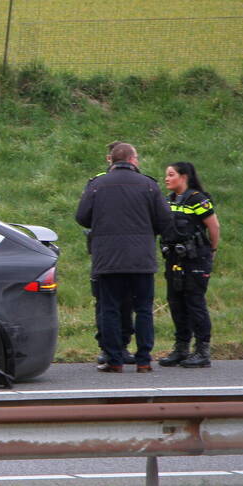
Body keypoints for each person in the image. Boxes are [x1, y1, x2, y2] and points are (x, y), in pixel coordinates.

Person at [75, 142, 172, 373]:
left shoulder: (96, 185)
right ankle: (144, 359)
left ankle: (114, 359)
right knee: (144, 309)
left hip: (108, 259)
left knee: (109, 308)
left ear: (112, 160)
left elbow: (82, 217)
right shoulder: (149, 185)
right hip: (141, 259)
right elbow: (165, 220)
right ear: (132, 160)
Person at [158, 161, 220, 368]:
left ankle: (202, 350)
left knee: (195, 302)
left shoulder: (197, 199)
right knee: (176, 302)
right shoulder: (169, 200)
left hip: (195, 259)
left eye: (171, 174)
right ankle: (182, 348)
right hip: (174, 259)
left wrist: (212, 250)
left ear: (183, 177)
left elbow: (214, 226)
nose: (167, 178)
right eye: (166, 175)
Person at [90, 142, 136, 365]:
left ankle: (123, 344)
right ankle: (107, 347)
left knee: (126, 302)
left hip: (124, 252)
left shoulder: (139, 182)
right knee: (104, 303)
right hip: (105, 252)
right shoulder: (97, 182)